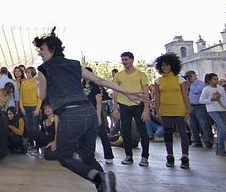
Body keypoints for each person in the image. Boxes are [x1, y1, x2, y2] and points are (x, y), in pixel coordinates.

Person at [34, 28, 146, 192]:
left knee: (64, 157)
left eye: (42, 49)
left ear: (52, 49)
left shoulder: (44, 69)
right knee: (87, 156)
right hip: (89, 113)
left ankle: (99, 178)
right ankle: (105, 185)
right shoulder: (74, 64)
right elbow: (99, 80)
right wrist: (126, 92)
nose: (40, 53)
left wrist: (38, 85)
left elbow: (42, 94)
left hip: (71, 115)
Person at [112, 51, 150, 166]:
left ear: (132, 60)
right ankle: (128, 156)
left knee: (142, 131)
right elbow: (115, 91)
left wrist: (146, 110)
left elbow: (145, 93)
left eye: (126, 59)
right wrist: (115, 107)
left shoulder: (141, 74)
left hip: (138, 105)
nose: (124, 62)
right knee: (125, 131)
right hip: (123, 105)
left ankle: (144, 157)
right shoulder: (118, 75)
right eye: (123, 60)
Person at [153, 53, 190, 169]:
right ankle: (170, 156)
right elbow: (157, 96)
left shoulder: (180, 79)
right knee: (167, 133)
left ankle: (185, 157)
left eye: (167, 65)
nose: (165, 68)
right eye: (163, 66)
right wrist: (157, 110)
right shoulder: (158, 81)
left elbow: (185, 95)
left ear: (172, 65)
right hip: (165, 109)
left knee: (182, 132)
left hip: (179, 107)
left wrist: (188, 109)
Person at [84, 68, 114, 164]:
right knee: (86, 136)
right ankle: (88, 155)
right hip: (84, 113)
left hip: (95, 113)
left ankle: (109, 156)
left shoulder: (95, 86)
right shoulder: (81, 84)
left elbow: (99, 101)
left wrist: (98, 116)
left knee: (102, 134)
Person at [199, 73, 226, 157]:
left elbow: (224, 99)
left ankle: (219, 148)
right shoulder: (206, 89)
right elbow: (201, 100)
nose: (216, 81)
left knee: (222, 128)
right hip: (213, 110)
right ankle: (220, 147)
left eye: (217, 79)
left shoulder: (220, 88)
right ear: (209, 80)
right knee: (221, 127)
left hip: (222, 109)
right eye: (214, 79)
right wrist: (211, 99)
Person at [184, 70, 213, 148]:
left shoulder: (200, 83)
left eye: (191, 76)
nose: (189, 78)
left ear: (195, 76)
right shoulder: (186, 85)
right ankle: (196, 141)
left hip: (199, 106)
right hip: (190, 106)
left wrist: (190, 85)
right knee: (192, 125)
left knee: (203, 124)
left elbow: (197, 91)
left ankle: (207, 141)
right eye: (188, 77)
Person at [20, 66, 41, 153]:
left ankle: (37, 145)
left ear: (32, 72)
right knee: (28, 127)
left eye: (28, 72)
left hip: (34, 107)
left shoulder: (37, 82)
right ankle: (31, 144)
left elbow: (40, 97)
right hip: (25, 107)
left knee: (35, 127)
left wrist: (37, 109)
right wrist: (21, 107)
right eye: (26, 72)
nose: (27, 73)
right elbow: (21, 96)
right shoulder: (23, 83)